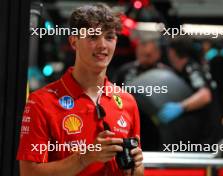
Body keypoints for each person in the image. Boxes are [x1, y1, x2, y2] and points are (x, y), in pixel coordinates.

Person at [17, 4, 144, 176]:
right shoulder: (40, 102)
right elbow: (29, 173)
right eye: (93, 37)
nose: (102, 46)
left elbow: (138, 171)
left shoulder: (127, 102)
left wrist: (136, 168)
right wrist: (85, 158)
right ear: (73, 41)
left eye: (109, 37)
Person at [158, 39, 222, 144]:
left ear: (172, 52)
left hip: (207, 133)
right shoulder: (187, 68)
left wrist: (180, 107)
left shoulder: (191, 68)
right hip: (201, 131)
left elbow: (205, 95)